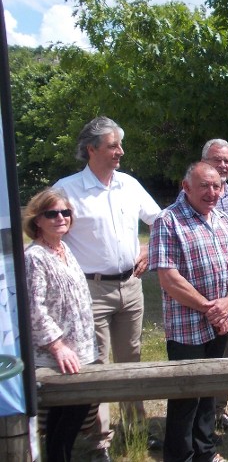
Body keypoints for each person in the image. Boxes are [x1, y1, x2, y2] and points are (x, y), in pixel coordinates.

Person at [54, 116, 162, 461]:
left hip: (130, 287)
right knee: (96, 364)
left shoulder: (128, 184)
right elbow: (47, 234)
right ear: (91, 149)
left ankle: (136, 431)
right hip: (89, 290)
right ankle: (99, 439)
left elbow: (160, 220)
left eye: (120, 144)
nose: (121, 152)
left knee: (131, 359)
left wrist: (146, 249)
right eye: (113, 145)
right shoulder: (67, 190)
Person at [148, 161, 228, 462]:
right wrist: (208, 307)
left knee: (209, 392)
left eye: (216, 186)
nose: (212, 192)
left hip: (221, 322)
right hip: (187, 325)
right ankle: (180, 456)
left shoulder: (223, 219)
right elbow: (167, 276)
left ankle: (206, 452)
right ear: (185, 186)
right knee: (186, 396)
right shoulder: (168, 220)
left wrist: (227, 304)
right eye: (204, 185)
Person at [23, 188, 97, 462]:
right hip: (58, 357)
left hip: (81, 352)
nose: (60, 218)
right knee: (65, 416)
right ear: (37, 220)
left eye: (65, 212)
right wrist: (57, 347)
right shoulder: (35, 257)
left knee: (71, 414)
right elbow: (35, 309)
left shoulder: (63, 248)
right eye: (52, 213)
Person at [201, 139, 228, 435]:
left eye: (227, 161)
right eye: (218, 160)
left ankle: (218, 410)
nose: (223, 165)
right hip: (200, 289)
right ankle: (197, 412)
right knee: (197, 350)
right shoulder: (195, 191)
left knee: (225, 347)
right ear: (204, 161)